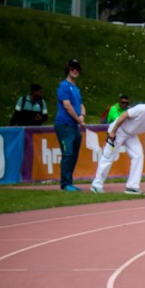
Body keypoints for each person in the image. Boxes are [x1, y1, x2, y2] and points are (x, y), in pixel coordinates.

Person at [90, 101, 145, 194]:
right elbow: (124, 115)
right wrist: (113, 131)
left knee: (138, 155)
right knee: (108, 156)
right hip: (119, 129)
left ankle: (132, 186)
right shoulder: (144, 108)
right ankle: (96, 185)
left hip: (131, 135)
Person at [55, 58, 86, 192]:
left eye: (77, 68)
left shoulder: (76, 89)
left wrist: (82, 116)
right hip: (65, 123)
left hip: (74, 125)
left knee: (73, 154)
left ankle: (69, 181)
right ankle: (65, 183)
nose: (75, 71)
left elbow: (81, 105)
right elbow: (67, 105)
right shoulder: (64, 86)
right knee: (67, 153)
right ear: (68, 69)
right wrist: (78, 119)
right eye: (72, 68)